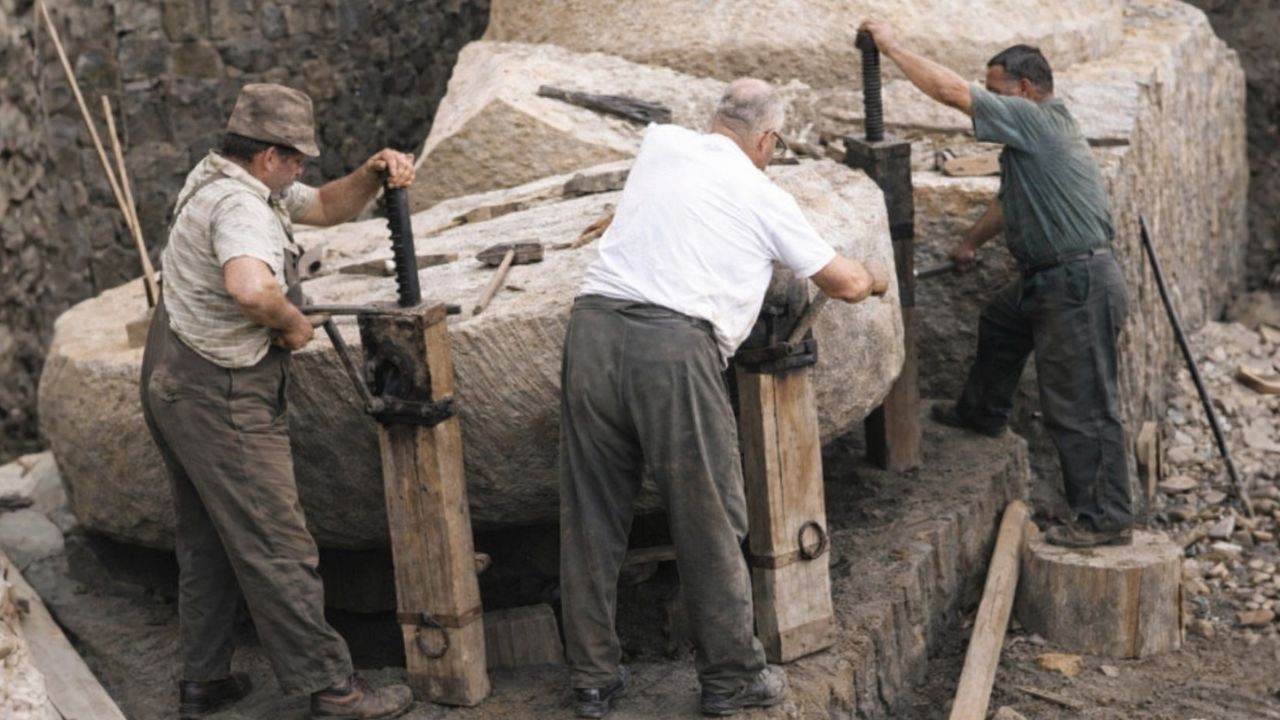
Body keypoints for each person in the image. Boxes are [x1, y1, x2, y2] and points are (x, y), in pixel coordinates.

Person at [558, 77, 890, 718]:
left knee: (591, 509)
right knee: (708, 515)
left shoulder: (661, 144)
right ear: (767, 140)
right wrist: (875, 276)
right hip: (673, 348)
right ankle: (733, 678)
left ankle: (592, 679)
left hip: (592, 328)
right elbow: (844, 282)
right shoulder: (762, 194)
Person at [139, 83, 416, 719]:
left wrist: (371, 175)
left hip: (173, 374)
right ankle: (333, 689)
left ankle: (203, 680)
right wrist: (291, 322)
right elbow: (248, 287)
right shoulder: (241, 210)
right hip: (219, 391)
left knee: (207, 536)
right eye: (296, 158)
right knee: (277, 542)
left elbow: (322, 205)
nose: (302, 170)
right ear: (269, 155)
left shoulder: (222, 176)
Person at [857, 21, 1133, 548]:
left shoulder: (1038, 119)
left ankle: (1104, 518)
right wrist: (970, 244)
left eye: (997, 87)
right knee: (1002, 321)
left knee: (1082, 406)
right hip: (1050, 279)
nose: (989, 98)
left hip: (1076, 283)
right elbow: (1009, 203)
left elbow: (951, 92)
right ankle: (981, 413)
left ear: (1025, 89)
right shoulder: (1029, 143)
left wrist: (892, 47)